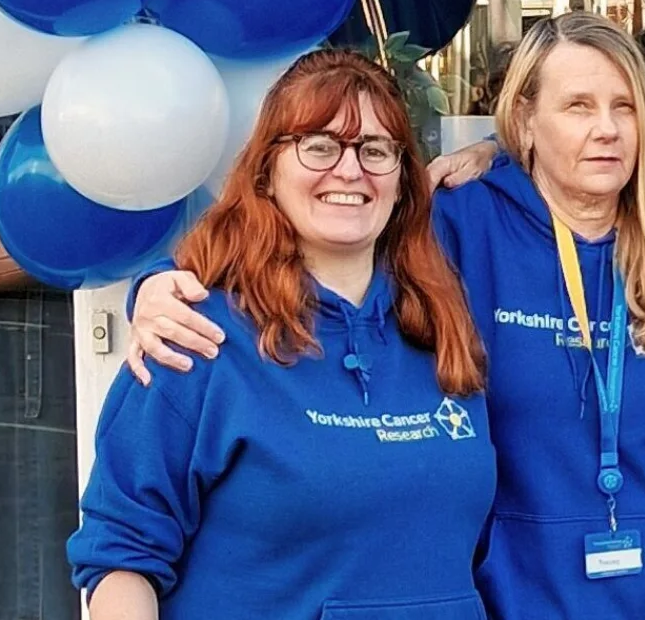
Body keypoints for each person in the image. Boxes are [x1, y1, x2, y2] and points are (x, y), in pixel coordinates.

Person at [127, 14, 645, 620]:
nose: (607, 129)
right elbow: (322, 243)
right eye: (578, 106)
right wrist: (158, 286)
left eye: (625, 107)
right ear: (524, 119)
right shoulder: (457, 226)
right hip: (498, 603)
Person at [68, 50, 493, 620]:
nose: (350, 170)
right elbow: (120, 558)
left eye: (375, 150)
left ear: (402, 182)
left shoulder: (443, 329)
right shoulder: (195, 336)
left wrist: (494, 148)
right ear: (267, 172)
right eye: (319, 146)